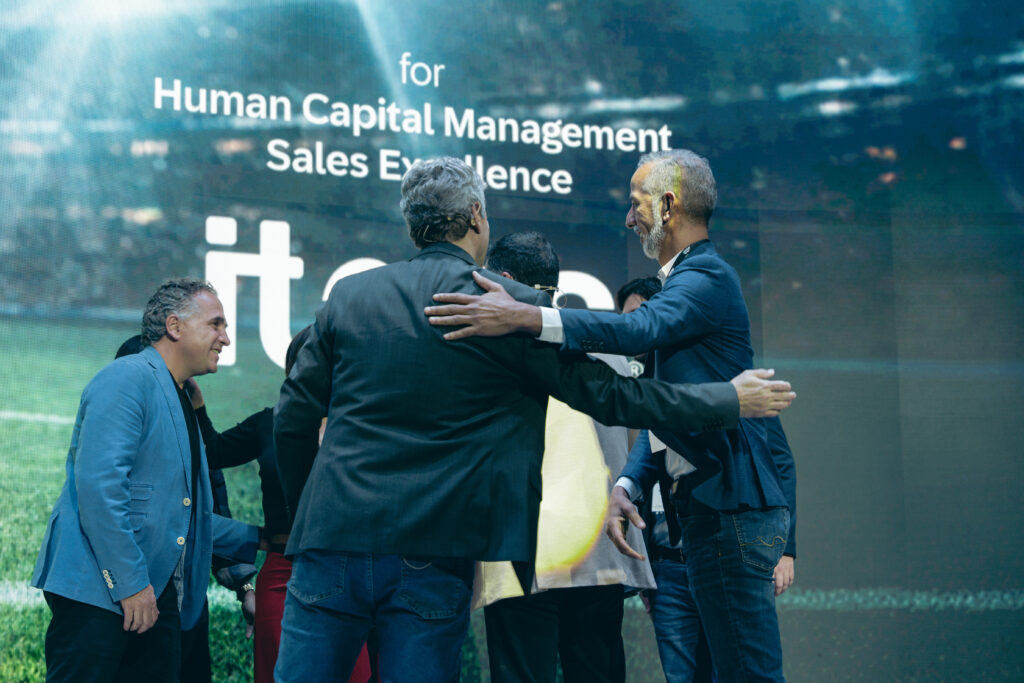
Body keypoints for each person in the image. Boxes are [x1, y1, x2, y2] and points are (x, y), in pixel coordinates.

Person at [272, 156, 794, 682]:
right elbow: (616, 397)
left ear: (412, 226)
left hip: (329, 540)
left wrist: (304, 520)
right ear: (477, 216)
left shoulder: (349, 294)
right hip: (433, 549)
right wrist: (726, 400)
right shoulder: (503, 307)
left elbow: (292, 418)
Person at [425, 149, 797, 682]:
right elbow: (666, 411)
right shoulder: (691, 278)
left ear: (667, 205)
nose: (628, 219)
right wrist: (630, 482)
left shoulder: (705, 275)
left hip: (729, 509)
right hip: (708, 508)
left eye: (635, 203)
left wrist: (527, 316)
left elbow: (638, 330)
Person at [32, 278, 261, 682]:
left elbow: (182, 520)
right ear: (174, 326)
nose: (225, 338)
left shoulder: (179, 397)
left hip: (152, 599)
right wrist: (131, 584)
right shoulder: (127, 377)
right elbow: (101, 488)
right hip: (105, 594)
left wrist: (269, 538)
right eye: (216, 324)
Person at [477, 232, 657, 683]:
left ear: (502, 279)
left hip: (523, 552)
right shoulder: (605, 346)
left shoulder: (493, 350)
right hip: (600, 549)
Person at [188, 327, 374, 683]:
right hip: (283, 574)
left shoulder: (360, 425)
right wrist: (197, 403)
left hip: (347, 572)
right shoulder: (270, 422)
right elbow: (213, 451)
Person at [114, 334, 259, 683]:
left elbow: (209, 520)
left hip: (186, 608)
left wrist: (244, 588)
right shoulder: (117, 439)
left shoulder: (193, 437)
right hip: (126, 607)